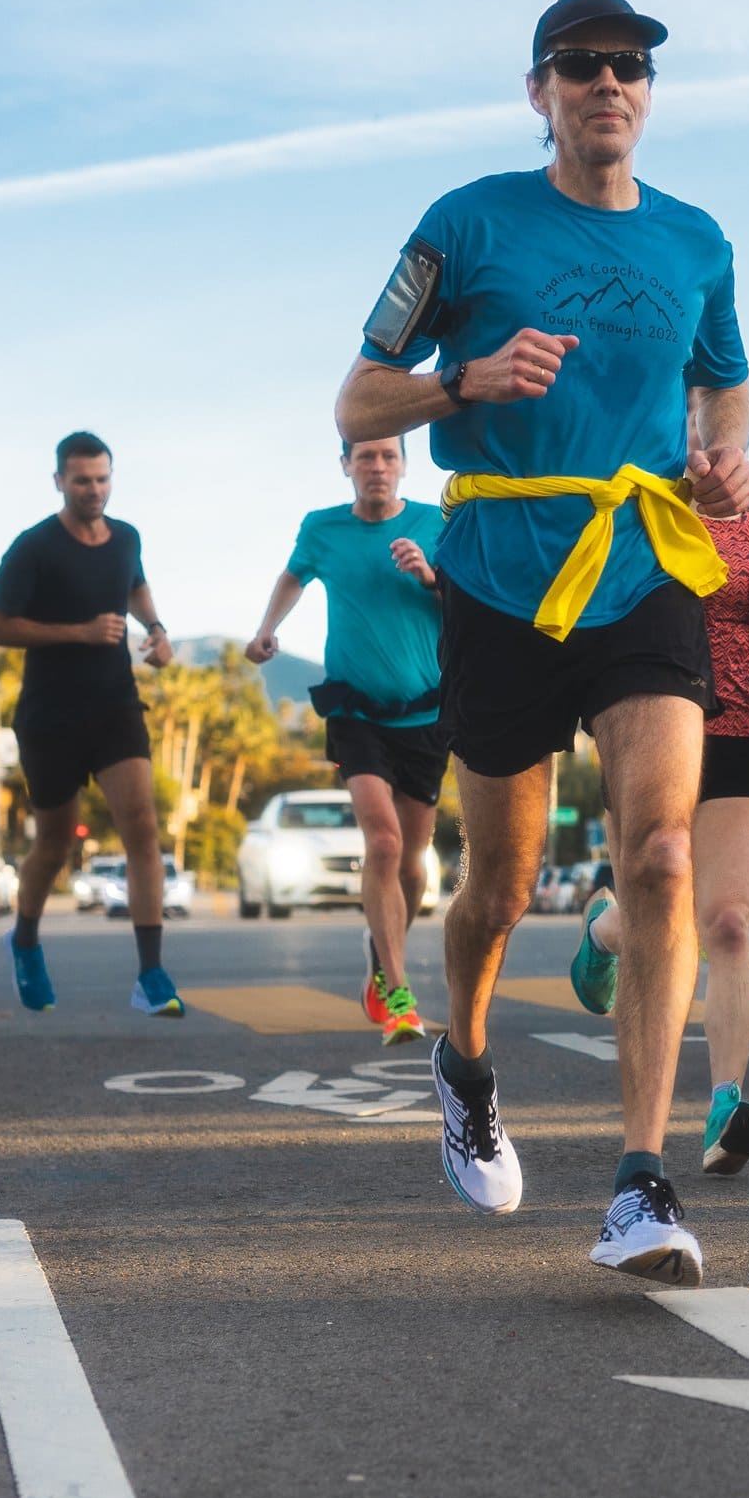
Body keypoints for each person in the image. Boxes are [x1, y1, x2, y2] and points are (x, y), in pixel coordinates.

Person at [332, 0, 749, 1285]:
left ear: (647, 90)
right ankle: (465, 1059)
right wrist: (462, 378)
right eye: (580, 65)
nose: (607, 83)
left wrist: (724, 453)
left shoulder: (695, 240)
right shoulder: (466, 225)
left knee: (667, 851)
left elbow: (726, 372)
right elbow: (356, 396)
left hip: (643, 563)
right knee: (500, 886)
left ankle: (640, 1180)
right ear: (540, 92)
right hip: (502, 573)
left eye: (628, 65)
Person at [574, 495, 749, 1171]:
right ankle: (604, 931)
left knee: (731, 921)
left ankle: (726, 1107)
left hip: (742, 735)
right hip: (649, 725)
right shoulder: (632, 509)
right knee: (655, 911)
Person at [246, 435, 447, 1044]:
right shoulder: (322, 528)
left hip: (426, 712)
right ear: (346, 467)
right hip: (355, 709)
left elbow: (464, 600)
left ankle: (380, 949)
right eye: (366, 457)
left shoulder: (433, 523)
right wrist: (266, 630)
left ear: (404, 465)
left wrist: (430, 575)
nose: (378, 467)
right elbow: (292, 576)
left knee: (412, 861)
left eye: (389, 456)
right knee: (382, 841)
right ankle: (396, 987)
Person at [0, 431, 184, 1017]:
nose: (93, 490)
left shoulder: (125, 538)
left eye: (102, 479)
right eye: (81, 480)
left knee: (143, 829)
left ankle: (151, 975)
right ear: (59, 482)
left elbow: (135, 582)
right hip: (49, 716)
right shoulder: (34, 548)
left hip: (115, 706)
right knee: (52, 844)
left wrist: (156, 628)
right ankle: (24, 939)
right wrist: (79, 633)